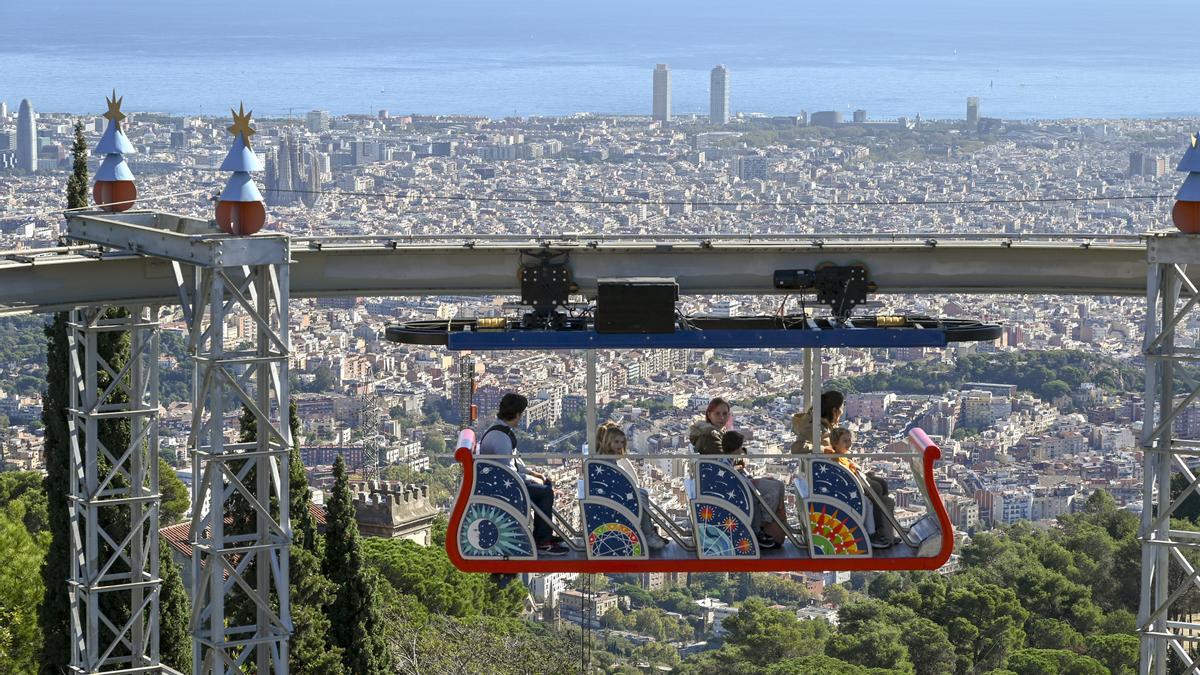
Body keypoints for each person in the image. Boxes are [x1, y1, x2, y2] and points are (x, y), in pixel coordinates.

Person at [478, 393, 568, 556]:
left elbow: (515, 462)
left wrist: (534, 474)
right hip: (504, 486)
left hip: (502, 481)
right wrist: (531, 478)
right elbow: (510, 471)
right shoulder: (501, 437)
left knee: (544, 485)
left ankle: (544, 534)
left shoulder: (500, 431)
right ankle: (542, 541)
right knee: (545, 493)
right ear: (518, 414)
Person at [594, 422, 669, 550]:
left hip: (612, 496)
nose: (620, 445)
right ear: (608, 442)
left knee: (642, 493)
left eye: (622, 442)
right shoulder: (607, 460)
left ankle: (649, 531)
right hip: (612, 499)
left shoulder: (606, 458)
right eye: (616, 442)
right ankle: (648, 534)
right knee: (641, 495)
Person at [828, 427, 897, 549]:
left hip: (854, 485)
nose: (849, 443)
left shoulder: (842, 457)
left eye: (849, 440)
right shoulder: (835, 459)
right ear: (835, 443)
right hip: (850, 490)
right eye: (845, 441)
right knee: (874, 494)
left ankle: (885, 530)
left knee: (881, 485)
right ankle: (874, 533)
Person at [720, 430, 785, 550]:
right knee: (760, 496)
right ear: (737, 447)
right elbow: (733, 478)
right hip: (740, 490)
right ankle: (760, 527)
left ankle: (764, 526)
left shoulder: (726, 460)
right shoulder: (726, 462)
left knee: (777, 486)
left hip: (739, 487)